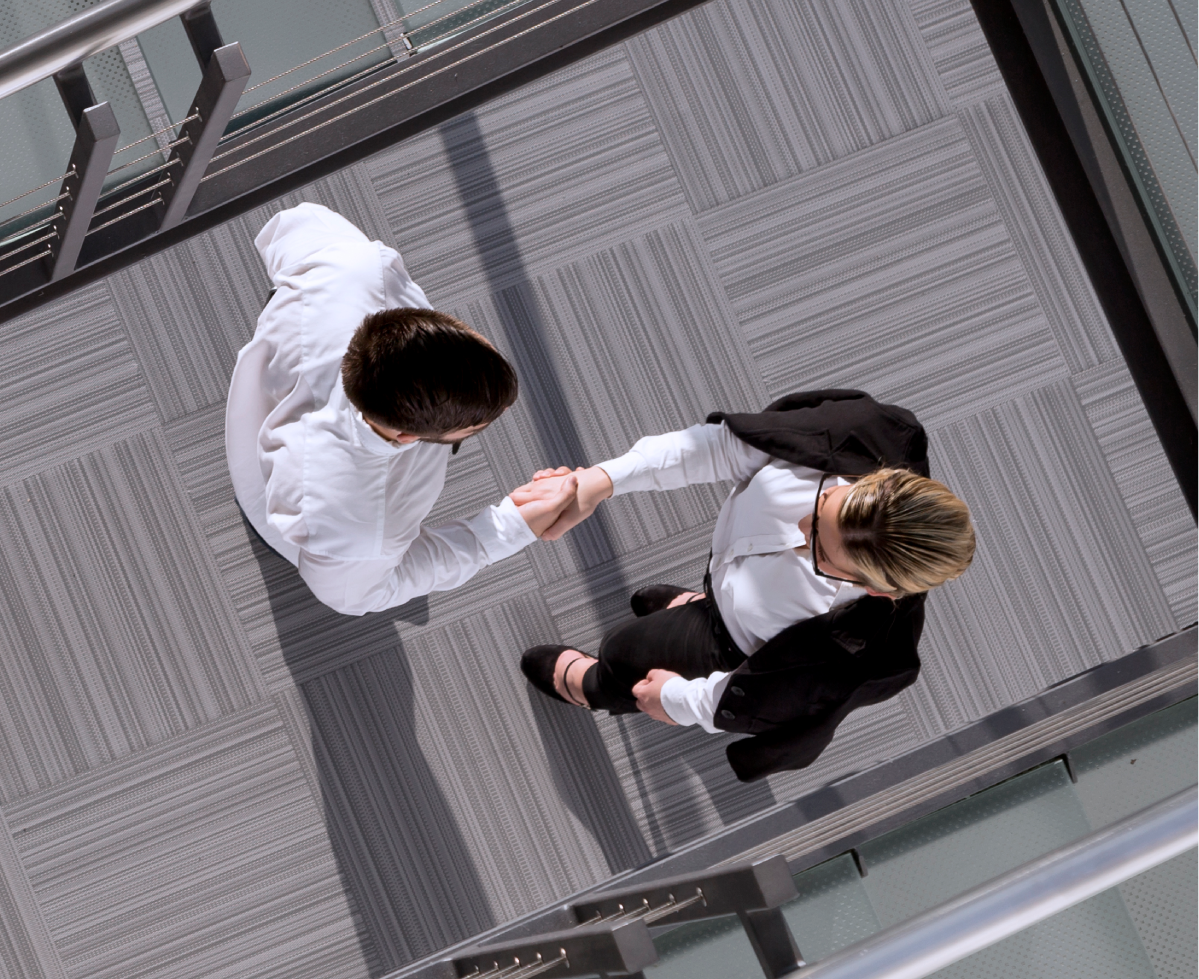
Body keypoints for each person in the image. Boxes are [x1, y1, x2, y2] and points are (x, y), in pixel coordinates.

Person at [515, 389, 974, 782]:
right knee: (707, 603)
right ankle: (698, 603)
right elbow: (719, 448)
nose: (801, 524)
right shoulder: (858, 435)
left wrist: (676, 700)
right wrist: (602, 481)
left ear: (874, 590)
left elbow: (760, 696)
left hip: (734, 648)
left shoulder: (846, 654)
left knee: (622, 651)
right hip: (731, 592)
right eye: (826, 501)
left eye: (819, 549)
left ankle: (595, 686)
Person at [225, 202, 575, 614]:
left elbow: (287, 229)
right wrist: (506, 529)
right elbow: (353, 596)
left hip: (259, 404)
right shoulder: (358, 525)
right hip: (273, 498)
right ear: (408, 437)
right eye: (470, 430)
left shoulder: (356, 267)